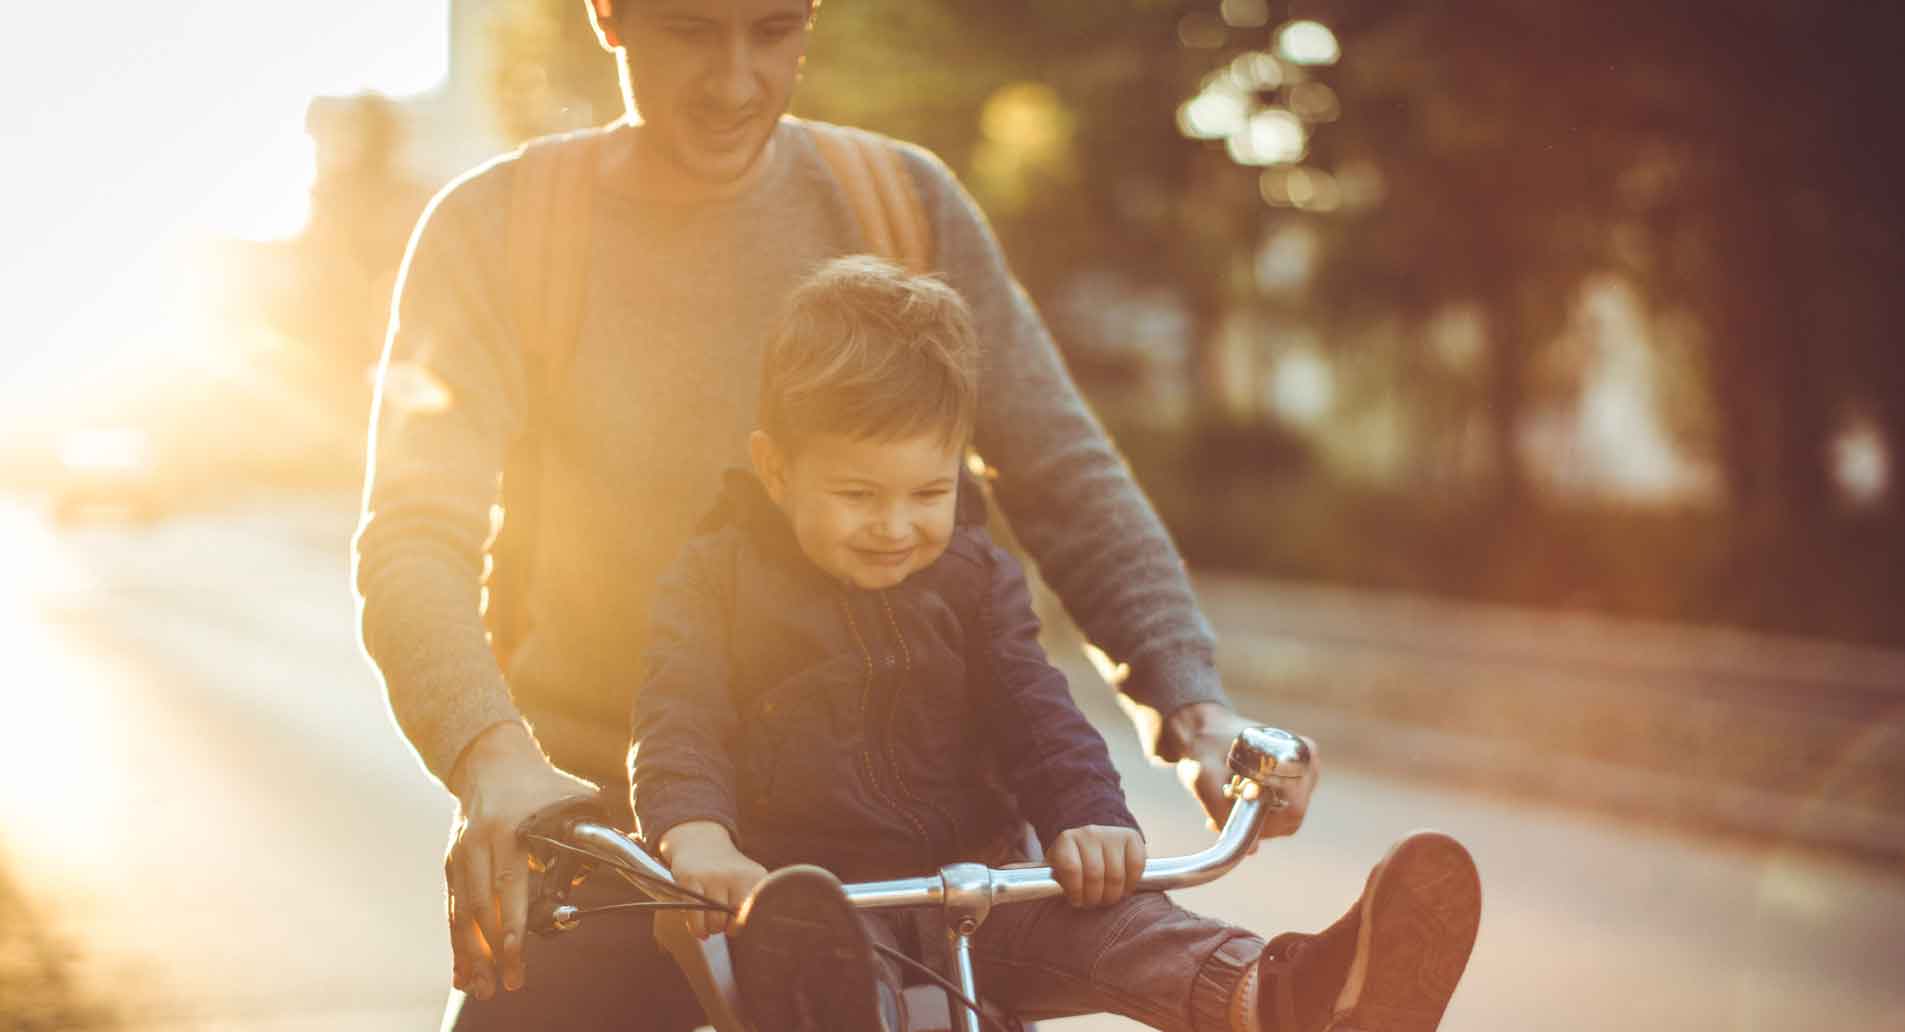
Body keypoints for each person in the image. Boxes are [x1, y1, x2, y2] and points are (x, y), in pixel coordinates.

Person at [353, 0, 1318, 1024]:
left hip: (907, 837)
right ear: (610, 15)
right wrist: (492, 759)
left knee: (1106, 941)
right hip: (616, 830)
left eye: (772, 30)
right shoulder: (502, 229)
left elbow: (1064, 476)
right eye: (690, 30)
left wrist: (1197, 715)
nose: (735, 81)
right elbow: (414, 533)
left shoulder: (898, 203)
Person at [632, 256, 1480, 1031]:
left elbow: (1036, 710)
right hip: (805, 905)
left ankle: (1286, 996)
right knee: (826, 978)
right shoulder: (716, 580)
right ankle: (841, 1011)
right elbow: (680, 716)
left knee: (1119, 926)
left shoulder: (974, 575)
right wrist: (697, 836)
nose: (895, 527)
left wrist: (1089, 816)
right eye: (858, 494)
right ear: (776, 471)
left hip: (980, 891)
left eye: (929, 490)